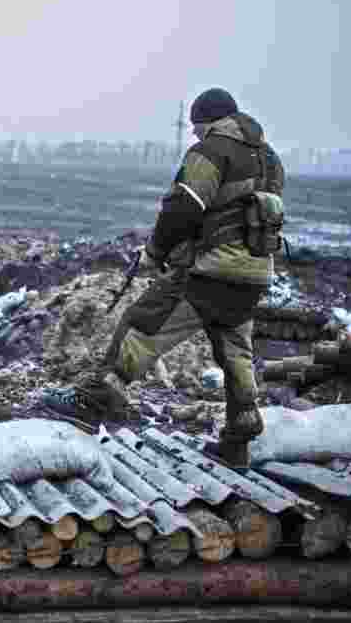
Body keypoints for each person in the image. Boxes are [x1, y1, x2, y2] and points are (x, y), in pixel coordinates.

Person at [44, 88, 286, 468]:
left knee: (142, 323)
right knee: (236, 351)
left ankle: (92, 402)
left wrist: (156, 252)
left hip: (210, 272)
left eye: (196, 128)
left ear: (207, 122)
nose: (195, 135)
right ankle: (240, 435)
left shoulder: (211, 151)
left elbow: (184, 206)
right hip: (255, 274)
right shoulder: (271, 160)